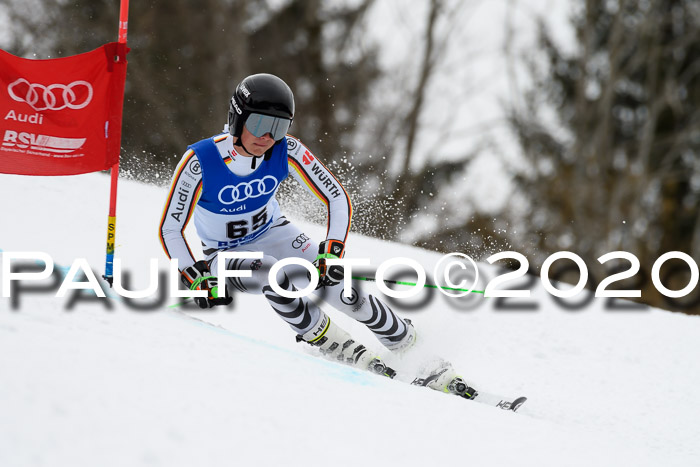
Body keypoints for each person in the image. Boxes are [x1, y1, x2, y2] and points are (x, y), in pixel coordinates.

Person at [159, 73, 464, 390]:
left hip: (275, 232)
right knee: (273, 274)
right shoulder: (200, 161)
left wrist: (331, 251)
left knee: (342, 289)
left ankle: (410, 345)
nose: (267, 137)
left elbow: (336, 197)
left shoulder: (286, 149)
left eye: (278, 127)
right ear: (237, 118)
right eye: (260, 124)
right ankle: (330, 340)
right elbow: (171, 228)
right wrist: (194, 275)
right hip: (225, 254)